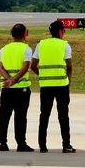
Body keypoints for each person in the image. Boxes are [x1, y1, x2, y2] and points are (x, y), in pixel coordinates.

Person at [31, 20, 76, 153]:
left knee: (44, 115)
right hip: (62, 85)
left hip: (46, 85)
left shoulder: (41, 44)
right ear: (61, 31)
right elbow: (69, 67)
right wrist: (69, 82)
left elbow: (33, 66)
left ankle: (42, 146)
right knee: (63, 116)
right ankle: (66, 145)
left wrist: (42, 75)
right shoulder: (65, 45)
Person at [0, 23, 35, 152]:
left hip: (6, 88)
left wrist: (8, 79)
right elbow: (25, 67)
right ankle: (21, 143)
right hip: (21, 88)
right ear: (25, 34)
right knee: (21, 116)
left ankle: (2, 143)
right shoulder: (26, 49)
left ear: (11, 34)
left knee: (4, 116)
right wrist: (14, 79)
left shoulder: (3, 49)